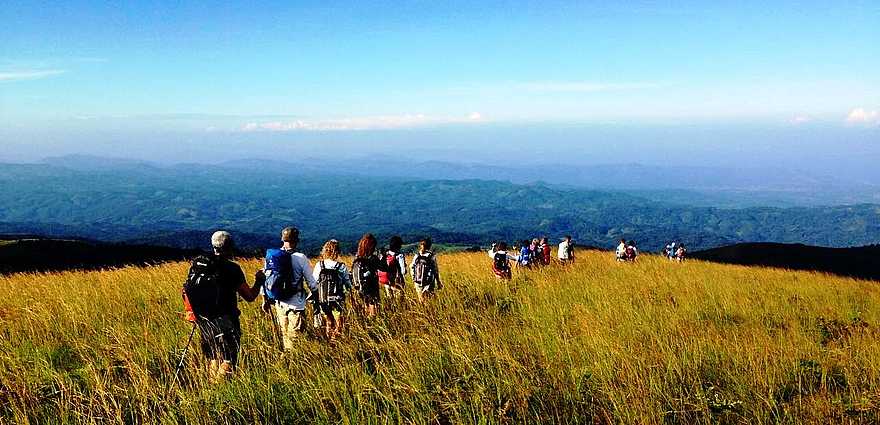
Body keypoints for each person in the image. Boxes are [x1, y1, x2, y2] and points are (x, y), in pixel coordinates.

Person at [182, 230, 263, 380]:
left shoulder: (199, 264)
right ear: (230, 246)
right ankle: (219, 388)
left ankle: (212, 388)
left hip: (204, 319)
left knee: (214, 356)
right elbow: (250, 296)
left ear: (213, 245)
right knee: (229, 358)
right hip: (226, 320)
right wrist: (259, 281)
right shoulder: (232, 269)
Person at [261, 227, 318, 350]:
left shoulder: (272, 256)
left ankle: (285, 363)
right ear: (296, 240)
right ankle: (289, 364)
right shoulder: (300, 257)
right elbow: (311, 282)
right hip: (296, 304)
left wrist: (264, 299)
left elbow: (265, 278)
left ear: (283, 239)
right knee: (294, 342)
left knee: (285, 336)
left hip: (279, 303)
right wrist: (316, 295)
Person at [312, 239, 351, 340]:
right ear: (337, 252)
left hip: (323, 298)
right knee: (339, 322)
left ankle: (329, 340)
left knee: (328, 321)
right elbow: (347, 283)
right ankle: (335, 340)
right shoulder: (341, 266)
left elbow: (314, 281)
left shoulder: (319, 265)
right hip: (337, 298)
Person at [350, 233, 388, 317]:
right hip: (372, 287)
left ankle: (366, 324)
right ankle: (373, 325)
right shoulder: (373, 258)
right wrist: (384, 256)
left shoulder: (357, 258)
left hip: (360, 288)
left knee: (366, 306)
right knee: (374, 310)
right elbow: (384, 268)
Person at [411, 237, 442, 301]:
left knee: (421, 300)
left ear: (420, 245)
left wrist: (414, 279)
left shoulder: (416, 256)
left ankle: (422, 309)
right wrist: (438, 282)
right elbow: (435, 270)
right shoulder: (431, 256)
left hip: (417, 281)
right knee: (429, 300)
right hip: (429, 282)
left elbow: (411, 268)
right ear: (429, 246)